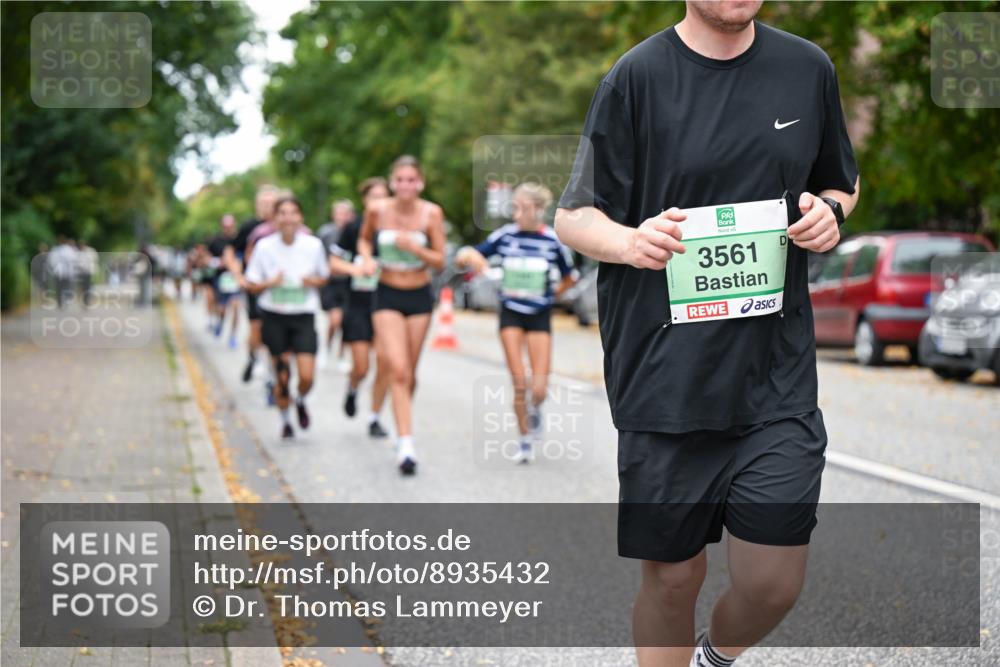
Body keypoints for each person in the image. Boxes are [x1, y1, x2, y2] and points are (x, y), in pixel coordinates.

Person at [554, 3, 860, 666]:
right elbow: (574, 217)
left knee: (773, 582)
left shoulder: (807, 68)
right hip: (666, 380)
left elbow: (839, 181)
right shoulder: (634, 79)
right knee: (671, 579)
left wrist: (829, 213)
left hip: (774, 378)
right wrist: (631, 240)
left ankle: (712, 657)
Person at [455, 183, 576, 463]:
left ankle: (536, 408)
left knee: (539, 387)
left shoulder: (553, 241)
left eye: (521, 207)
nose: (516, 213)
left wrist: (552, 294)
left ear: (537, 210)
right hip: (511, 312)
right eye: (514, 207)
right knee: (520, 381)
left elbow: (571, 276)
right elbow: (471, 254)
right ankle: (524, 441)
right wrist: (469, 258)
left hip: (539, 314)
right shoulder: (505, 236)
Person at [358, 156, 447, 475]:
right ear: (392, 182)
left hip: (419, 295)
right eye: (400, 179)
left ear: (420, 183)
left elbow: (439, 261)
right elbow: (364, 239)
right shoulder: (377, 210)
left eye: (412, 179)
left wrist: (414, 248)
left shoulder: (431, 213)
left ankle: (400, 421)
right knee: (396, 368)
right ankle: (406, 445)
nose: (406, 185)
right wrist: (367, 259)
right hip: (387, 292)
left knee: (409, 371)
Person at [244, 196, 330, 440]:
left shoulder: (313, 245)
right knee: (282, 378)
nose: (288, 218)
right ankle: (285, 421)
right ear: (275, 218)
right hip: (274, 316)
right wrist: (270, 282)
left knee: (306, 375)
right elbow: (251, 284)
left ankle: (301, 399)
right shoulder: (264, 246)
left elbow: (324, 278)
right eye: (283, 213)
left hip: (303, 316)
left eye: (293, 212)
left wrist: (309, 281)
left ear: (300, 217)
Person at [328, 177, 391, 438]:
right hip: (357, 305)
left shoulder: (392, 229)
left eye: (383, 196)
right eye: (373, 196)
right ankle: (353, 387)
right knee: (363, 366)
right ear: (364, 201)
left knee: (386, 363)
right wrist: (357, 269)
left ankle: (375, 416)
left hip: (387, 304)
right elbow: (333, 263)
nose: (378, 201)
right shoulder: (353, 228)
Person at [228, 185, 281, 383]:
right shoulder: (250, 227)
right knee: (257, 331)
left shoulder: (286, 224)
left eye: (271, 203)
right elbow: (230, 252)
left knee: (275, 334)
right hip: (256, 287)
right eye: (263, 203)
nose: (267, 207)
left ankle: (272, 375)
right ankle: (252, 357)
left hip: (279, 288)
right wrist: (239, 276)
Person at [316, 200, 356, 370]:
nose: (342, 217)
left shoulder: (355, 232)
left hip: (349, 283)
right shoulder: (325, 233)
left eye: (345, 213)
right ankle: (326, 347)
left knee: (346, 322)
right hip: (331, 283)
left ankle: (341, 354)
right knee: (334, 320)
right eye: (338, 213)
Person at [208, 214, 240, 347]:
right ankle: (220, 322)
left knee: (236, 306)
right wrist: (218, 262)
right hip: (221, 278)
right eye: (226, 226)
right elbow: (207, 258)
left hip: (236, 278)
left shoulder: (240, 239)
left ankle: (233, 336)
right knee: (222, 309)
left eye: (230, 226)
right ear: (222, 227)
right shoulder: (215, 241)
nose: (228, 229)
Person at [75, 240, 99, 307]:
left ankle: (87, 300)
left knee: (87, 286)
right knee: (82, 287)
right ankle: (84, 300)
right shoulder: (79, 253)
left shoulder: (91, 251)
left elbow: (94, 260)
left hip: (88, 272)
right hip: (81, 272)